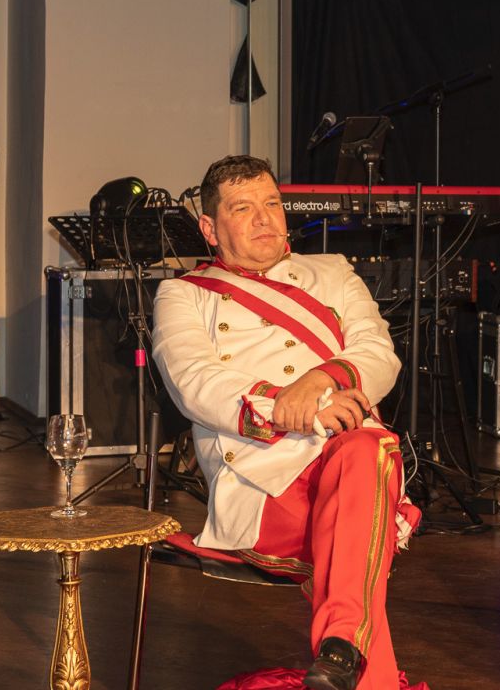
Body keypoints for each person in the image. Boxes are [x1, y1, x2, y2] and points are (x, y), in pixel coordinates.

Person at [152, 155, 418, 690]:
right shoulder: (182, 294)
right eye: (242, 208)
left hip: (347, 460)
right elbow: (196, 383)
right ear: (210, 228)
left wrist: (320, 379)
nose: (264, 218)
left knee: (364, 451)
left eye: (272, 203)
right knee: (368, 470)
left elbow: (379, 353)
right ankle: (352, 655)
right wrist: (289, 406)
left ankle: (341, 648)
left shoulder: (333, 271)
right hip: (264, 480)